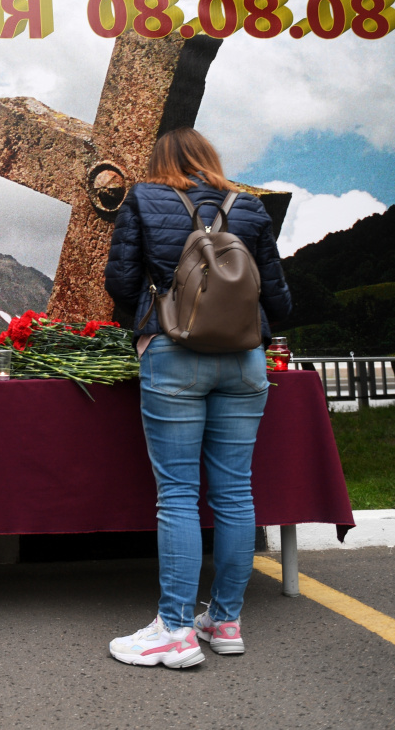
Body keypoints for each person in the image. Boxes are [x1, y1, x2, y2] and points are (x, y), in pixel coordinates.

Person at [103, 127, 291, 668]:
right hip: (245, 359)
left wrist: (149, 317)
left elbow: (120, 281)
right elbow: (279, 297)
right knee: (235, 493)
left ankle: (176, 630)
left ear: (161, 160)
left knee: (179, 495)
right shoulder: (249, 208)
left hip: (174, 353)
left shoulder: (143, 198)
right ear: (210, 159)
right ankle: (225, 622)